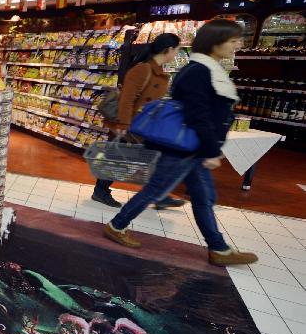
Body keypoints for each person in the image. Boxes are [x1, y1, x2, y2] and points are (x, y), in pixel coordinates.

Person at [103, 19, 257, 266]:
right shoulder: (199, 71)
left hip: (192, 148)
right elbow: (198, 115)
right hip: (184, 147)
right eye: (233, 40)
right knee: (157, 190)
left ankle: (218, 248)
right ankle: (116, 225)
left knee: (203, 196)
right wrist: (212, 150)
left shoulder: (206, 69)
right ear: (215, 42)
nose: (238, 45)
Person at [92, 33, 186, 210]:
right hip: (133, 125)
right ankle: (101, 190)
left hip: (146, 126)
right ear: (169, 49)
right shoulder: (143, 70)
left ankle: (159, 195)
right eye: (177, 50)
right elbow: (127, 99)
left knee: (150, 159)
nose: (177, 55)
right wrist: (123, 126)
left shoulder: (158, 70)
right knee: (118, 159)